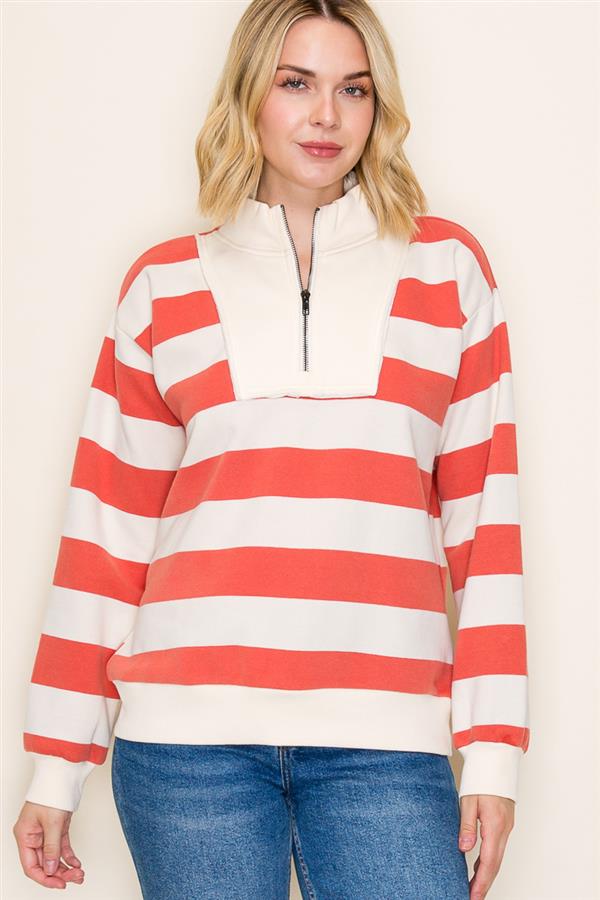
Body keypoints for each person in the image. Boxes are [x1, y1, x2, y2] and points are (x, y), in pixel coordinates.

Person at [13, 1, 530, 897]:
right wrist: (56, 767)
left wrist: (492, 753)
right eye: (297, 84)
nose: (326, 115)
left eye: (353, 90)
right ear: (249, 94)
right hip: (186, 749)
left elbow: (489, 530)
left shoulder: (448, 272)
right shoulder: (163, 283)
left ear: (378, 107)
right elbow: (105, 535)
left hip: (385, 745)